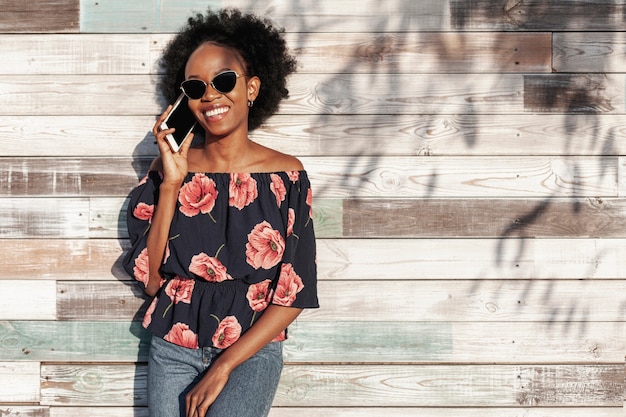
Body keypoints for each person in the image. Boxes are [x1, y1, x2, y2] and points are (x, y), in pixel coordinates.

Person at [123, 8, 318, 417]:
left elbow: (294, 293)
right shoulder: (170, 172)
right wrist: (173, 183)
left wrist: (224, 365)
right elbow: (154, 281)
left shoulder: (288, 176)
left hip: (250, 351)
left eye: (224, 80)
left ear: (252, 88)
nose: (210, 95)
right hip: (174, 344)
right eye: (195, 87)